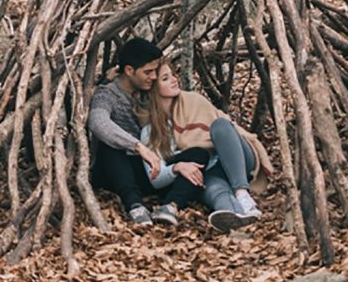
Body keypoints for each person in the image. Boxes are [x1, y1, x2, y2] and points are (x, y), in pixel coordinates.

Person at [140, 58, 273, 232]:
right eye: (166, 78)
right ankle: (237, 217)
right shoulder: (151, 132)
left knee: (220, 126)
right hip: (207, 170)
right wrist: (177, 167)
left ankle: (242, 193)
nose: (174, 80)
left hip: (236, 157)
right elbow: (155, 178)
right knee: (215, 191)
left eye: (173, 75)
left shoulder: (194, 101)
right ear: (153, 88)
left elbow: (227, 130)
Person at [88, 37, 209, 226]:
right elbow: (98, 122)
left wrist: (176, 162)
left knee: (199, 155)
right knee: (110, 145)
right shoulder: (107, 95)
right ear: (129, 70)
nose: (153, 76)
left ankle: (170, 206)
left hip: (151, 170)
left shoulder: (149, 92)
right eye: (148, 72)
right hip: (117, 169)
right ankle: (135, 206)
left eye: (155, 71)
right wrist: (138, 147)